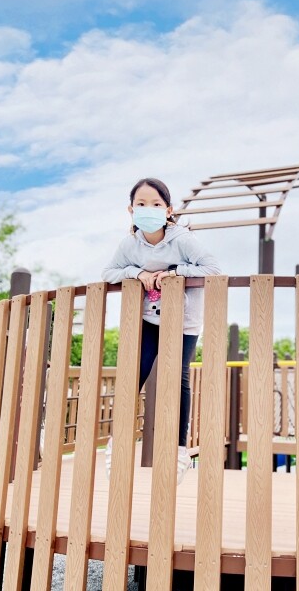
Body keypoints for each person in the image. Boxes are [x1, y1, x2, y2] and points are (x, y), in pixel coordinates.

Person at [101, 177, 221, 484]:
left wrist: (173, 272)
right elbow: (109, 272)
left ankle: (179, 451)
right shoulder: (130, 244)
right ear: (131, 210)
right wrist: (138, 273)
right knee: (133, 375)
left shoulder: (182, 240)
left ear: (168, 210)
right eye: (141, 203)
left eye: (156, 204)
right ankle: (117, 445)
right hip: (148, 320)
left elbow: (213, 269)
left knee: (177, 377)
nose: (148, 209)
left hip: (183, 321)